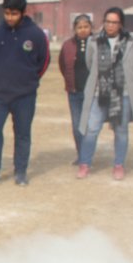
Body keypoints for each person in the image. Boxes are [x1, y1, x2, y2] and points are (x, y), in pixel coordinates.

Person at [0, 0, 50, 187]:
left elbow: (44, 61)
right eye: (6, 13)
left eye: (14, 13)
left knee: (22, 134)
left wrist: (30, 80)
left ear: (23, 12)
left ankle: (21, 172)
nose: (9, 17)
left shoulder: (36, 35)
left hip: (25, 95)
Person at [76, 7, 133, 180]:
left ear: (121, 24)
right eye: (107, 22)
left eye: (114, 22)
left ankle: (119, 165)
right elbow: (90, 63)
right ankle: (84, 164)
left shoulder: (132, 40)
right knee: (91, 129)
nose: (110, 25)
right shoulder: (94, 41)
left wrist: (122, 78)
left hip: (123, 93)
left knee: (121, 130)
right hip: (99, 92)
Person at [58, 14, 93, 163]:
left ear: (91, 28)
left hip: (93, 93)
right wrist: (70, 81)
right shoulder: (67, 45)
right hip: (74, 92)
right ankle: (82, 155)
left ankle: (87, 156)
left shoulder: (98, 43)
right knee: (77, 126)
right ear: (74, 29)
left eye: (86, 27)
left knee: (90, 126)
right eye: (79, 27)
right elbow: (62, 65)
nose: (83, 30)